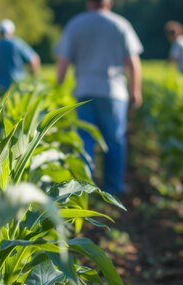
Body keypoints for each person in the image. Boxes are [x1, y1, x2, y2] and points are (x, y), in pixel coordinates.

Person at [55, 0, 143, 196]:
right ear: (109, 3)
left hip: (84, 90)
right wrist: (135, 90)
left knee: (84, 139)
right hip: (113, 92)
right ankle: (114, 188)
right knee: (115, 141)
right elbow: (133, 63)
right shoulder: (120, 24)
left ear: (89, 3)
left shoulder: (76, 24)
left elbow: (63, 61)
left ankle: (83, 190)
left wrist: (58, 88)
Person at [0, 19, 40, 93]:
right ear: (11, 31)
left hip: (0, 87)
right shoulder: (17, 43)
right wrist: (34, 79)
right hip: (18, 85)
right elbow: (33, 59)